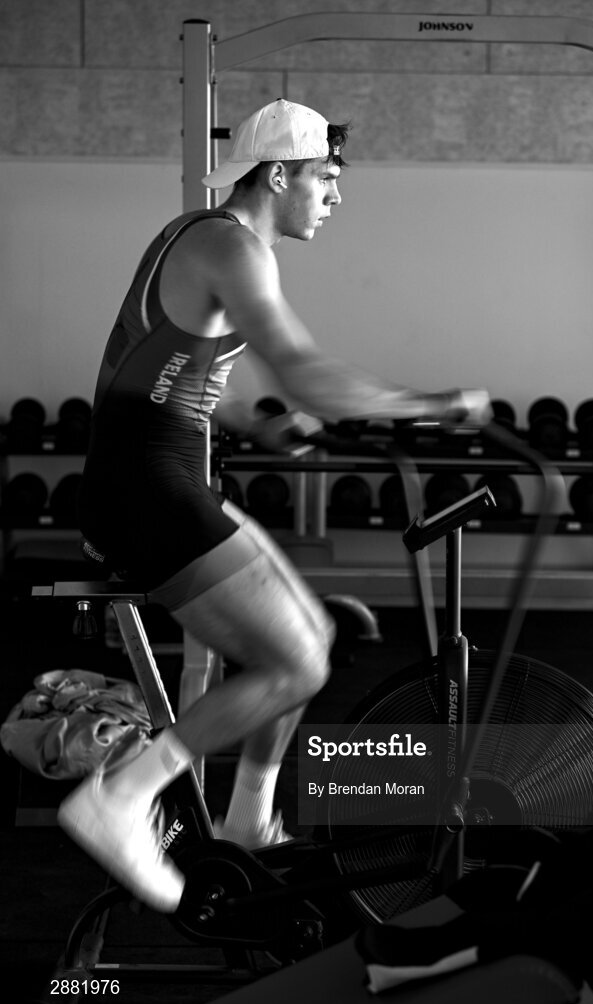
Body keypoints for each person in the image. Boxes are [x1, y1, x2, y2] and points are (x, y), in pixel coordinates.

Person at [58, 98, 491, 912]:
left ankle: (249, 822)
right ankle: (119, 799)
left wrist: (258, 420)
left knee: (312, 642)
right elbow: (303, 369)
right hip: (149, 486)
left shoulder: (194, 235)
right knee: (292, 662)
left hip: (151, 473)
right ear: (280, 172)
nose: (334, 198)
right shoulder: (231, 245)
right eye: (325, 178)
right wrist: (437, 402)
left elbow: (158, 375)